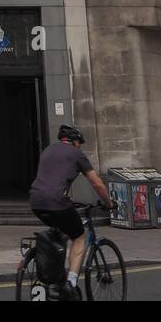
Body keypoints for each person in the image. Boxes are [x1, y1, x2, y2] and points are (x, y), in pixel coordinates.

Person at [28, 124, 111, 301]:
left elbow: (50, 178)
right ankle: (71, 284)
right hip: (57, 200)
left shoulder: (47, 151)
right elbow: (97, 183)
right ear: (74, 141)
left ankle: (55, 278)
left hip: (35, 200)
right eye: (79, 143)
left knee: (59, 232)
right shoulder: (76, 154)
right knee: (79, 236)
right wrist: (109, 203)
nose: (79, 146)